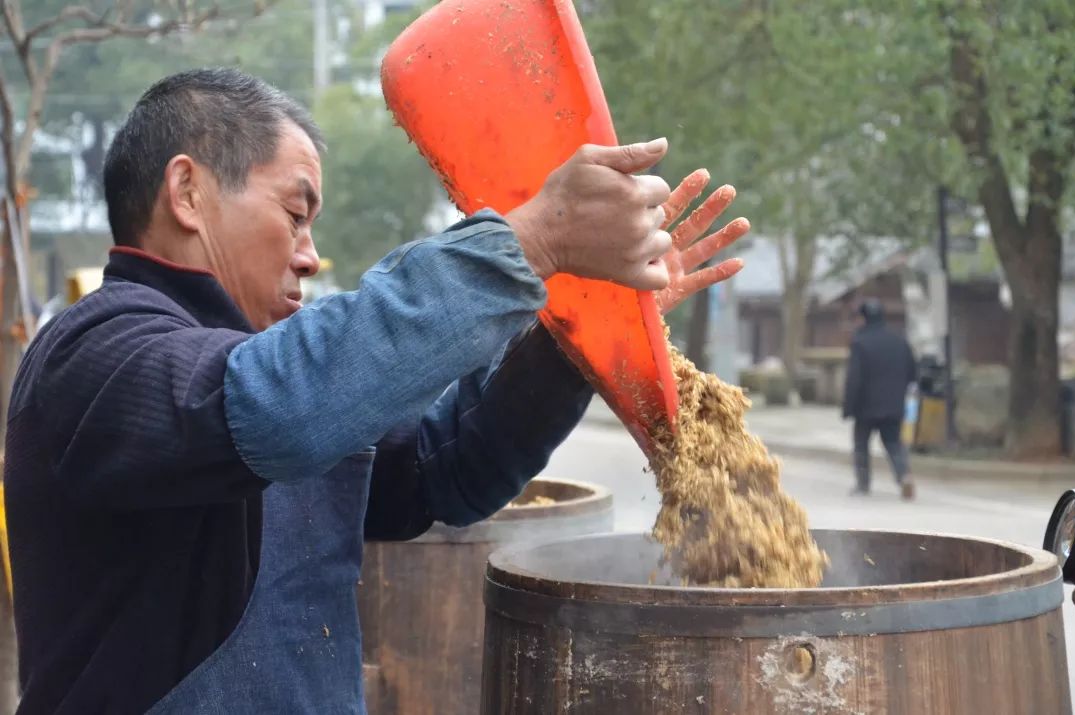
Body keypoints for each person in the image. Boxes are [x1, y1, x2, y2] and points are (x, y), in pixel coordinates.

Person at [4, 69, 749, 714]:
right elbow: (278, 405)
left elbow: (449, 468)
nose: (311, 255)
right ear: (188, 192)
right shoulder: (94, 354)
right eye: (296, 214)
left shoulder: (286, 373)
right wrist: (533, 238)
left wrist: (575, 331)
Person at [842, 298, 918, 499]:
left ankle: (863, 483)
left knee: (861, 445)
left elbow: (854, 379)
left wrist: (848, 407)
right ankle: (904, 476)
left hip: (866, 406)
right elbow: (912, 373)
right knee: (893, 443)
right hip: (893, 404)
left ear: (864, 317)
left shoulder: (860, 342)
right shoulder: (899, 341)